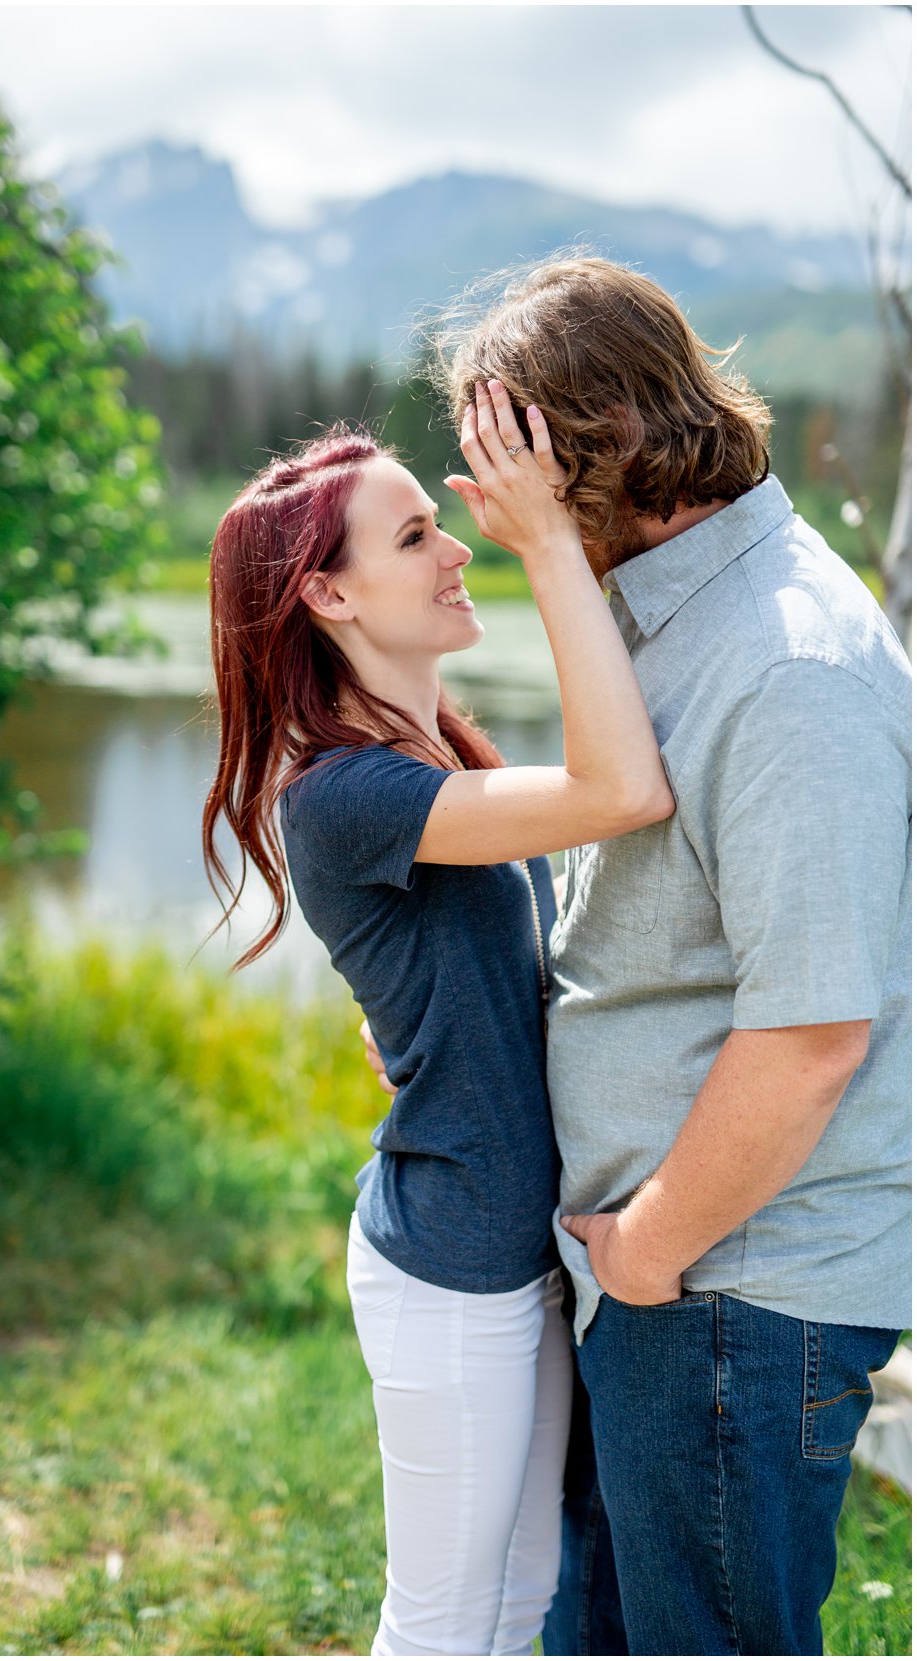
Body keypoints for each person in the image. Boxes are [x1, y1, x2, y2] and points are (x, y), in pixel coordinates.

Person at [417, 257, 907, 1658]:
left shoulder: (788, 670)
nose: (490, 506)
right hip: (670, 1284)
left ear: (596, 444)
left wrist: (646, 1249)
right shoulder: (673, 619)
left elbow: (814, 1033)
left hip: (728, 1291)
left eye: (504, 460)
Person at [201, 383, 674, 1655]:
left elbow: (481, 974)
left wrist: (421, 1036)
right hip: (448, 1267)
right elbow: (621, 787)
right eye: (415, 534)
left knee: (515, 1605)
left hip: (514, 1252)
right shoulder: (346, 792)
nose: (458, 544)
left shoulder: (436, 760)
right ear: (329, 595)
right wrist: (554, 544)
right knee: (439, 1624)